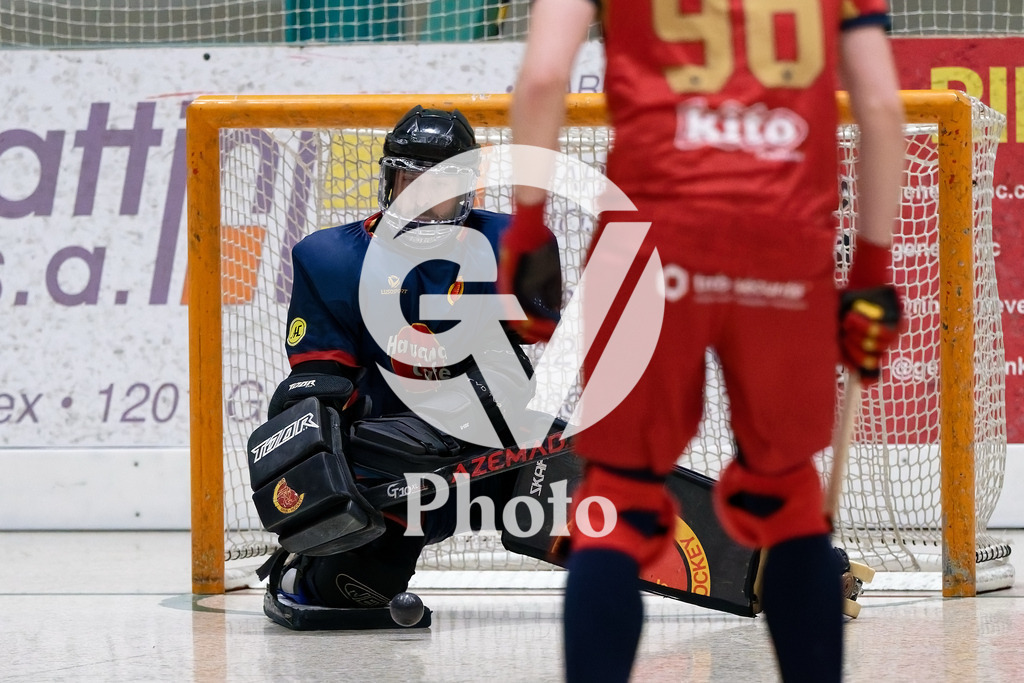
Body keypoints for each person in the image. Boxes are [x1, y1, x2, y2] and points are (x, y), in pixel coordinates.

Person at [502, 0, 905, 681]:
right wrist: (870, 271)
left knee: (618, 500)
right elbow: (883, 108)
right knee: (789, 498)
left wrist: (527, 227)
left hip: (649, 235)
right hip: (784, 239)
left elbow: (543, 77)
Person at [259, 105, 530, 620]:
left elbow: (521, 365)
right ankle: (308, 564)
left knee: (593, 500)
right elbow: (319, 385)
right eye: (411, 181)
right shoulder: (332, 258)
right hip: (395, 475)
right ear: (390, 180)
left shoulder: (508, 246)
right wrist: (326, 482)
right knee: (348, 589)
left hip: (486, 457)